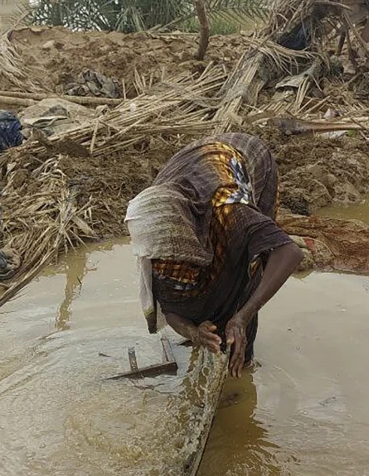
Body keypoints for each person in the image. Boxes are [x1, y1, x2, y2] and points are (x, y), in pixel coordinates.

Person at [125, 133, 302, 377]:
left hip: (244, 159)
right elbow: (171, 307)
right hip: (189, 168)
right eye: (163, 259)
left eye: (172, 257)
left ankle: (241, 349)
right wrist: (194, 332)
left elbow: (289, 252)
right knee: (190, 281)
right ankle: (217, 330)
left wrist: (242, 317)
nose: (166, 265)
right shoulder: (155, 236)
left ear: (185, 236)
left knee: (244, 263)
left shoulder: (229, 209)